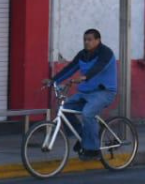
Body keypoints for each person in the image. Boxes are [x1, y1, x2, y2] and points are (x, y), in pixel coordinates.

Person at [45, 29, 118, 161]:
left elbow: (99, 67)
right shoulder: (82, 54)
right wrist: (53, 81)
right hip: (85, 93)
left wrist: (85, 77)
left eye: (90, 39)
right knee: (65, 108)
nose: (86, 42)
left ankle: (93, 150)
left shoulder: (106, 53)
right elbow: (70, 69)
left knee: (87, 113)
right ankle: (84, 138)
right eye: (85, 39)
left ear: (98, 40)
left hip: (104, 92)